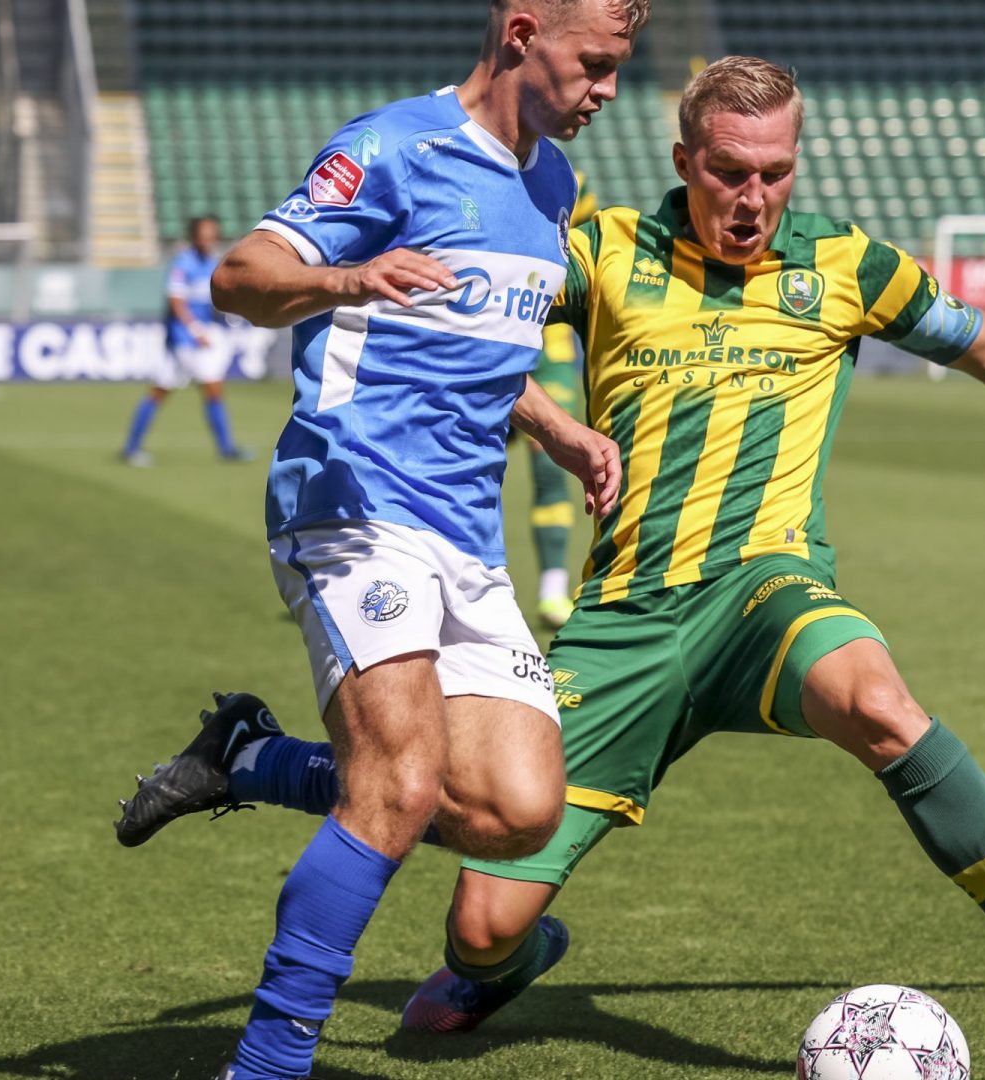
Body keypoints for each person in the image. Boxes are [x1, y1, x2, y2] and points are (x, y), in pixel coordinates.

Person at [140, 57, 985, 1076]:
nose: (753, 197)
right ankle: (297, 788)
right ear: (685, 158)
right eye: (731, 171)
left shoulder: (847, 266)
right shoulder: (597, 248)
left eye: (775, 173)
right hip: (627, 624)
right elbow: (471, 341)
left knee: (884, 706)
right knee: (483, 918)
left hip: (768, 595)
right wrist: (536, 412)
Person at [110, 4, 648, 1079]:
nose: (607, 91)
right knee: (400, 786)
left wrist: (558, 428)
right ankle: (267, 1063)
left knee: (514, 813)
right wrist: (349, 277)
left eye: (618, 70)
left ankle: (248, 761)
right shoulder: (391, 149)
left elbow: (482, 351)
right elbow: (241, 279)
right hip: (350, 501)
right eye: (593, 64)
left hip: (467, 535)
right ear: (521, 32)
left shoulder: (551, 186)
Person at [121, 215, 249, 466]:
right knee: (212, 388)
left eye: (212, 234)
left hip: (194, 336)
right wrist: (194, 330)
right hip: (186, 338)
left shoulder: (212, 263)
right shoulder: (183, 263)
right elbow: (176, 301)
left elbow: (211, 303)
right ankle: (226, 448)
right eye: (204, 234)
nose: (208, 239)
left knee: (160, 390)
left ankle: (131, 447)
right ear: (194, 236)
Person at [529, 171, 599, 628]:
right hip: (483, 340)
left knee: (550, 468)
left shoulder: (573, 182)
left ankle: (552, 589)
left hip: (548, 346)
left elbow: (586, 254)